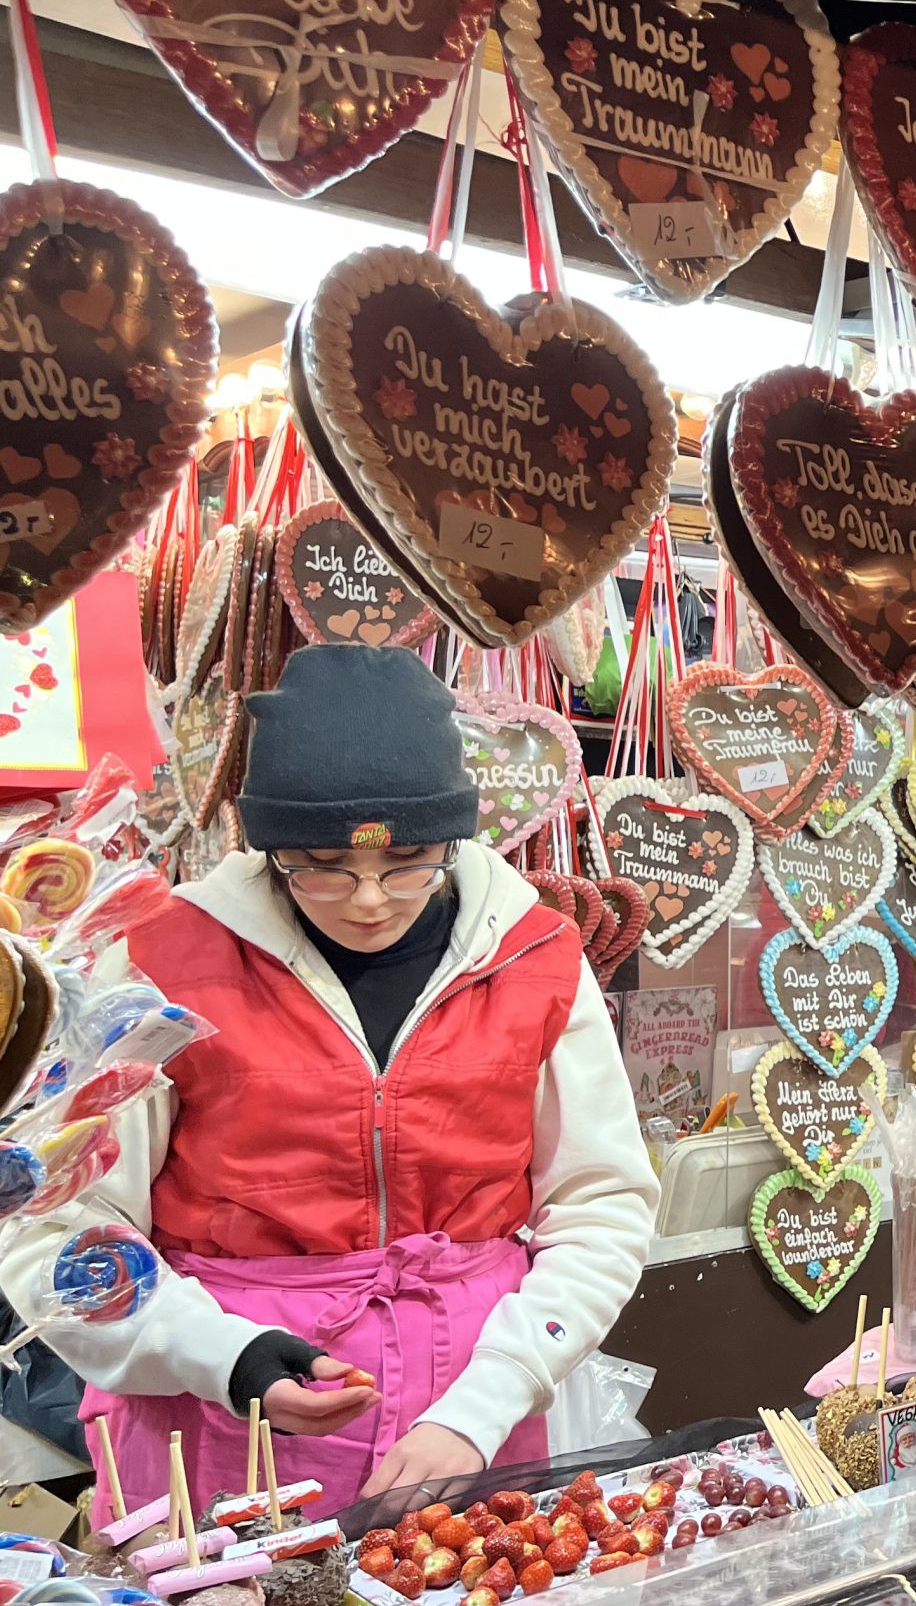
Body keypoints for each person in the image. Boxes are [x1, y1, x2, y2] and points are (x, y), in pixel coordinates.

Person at [0, 648, 658, 1515]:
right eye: (321, 864)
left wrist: (488, 1401)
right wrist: (220, 1354)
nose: (370, 899)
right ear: (266, 846)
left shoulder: (535, 958)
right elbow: (59, 1218)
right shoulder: (158, 962)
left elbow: (601, 1205)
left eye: (409, 860)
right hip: (219, 1419)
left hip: (468, 1414)